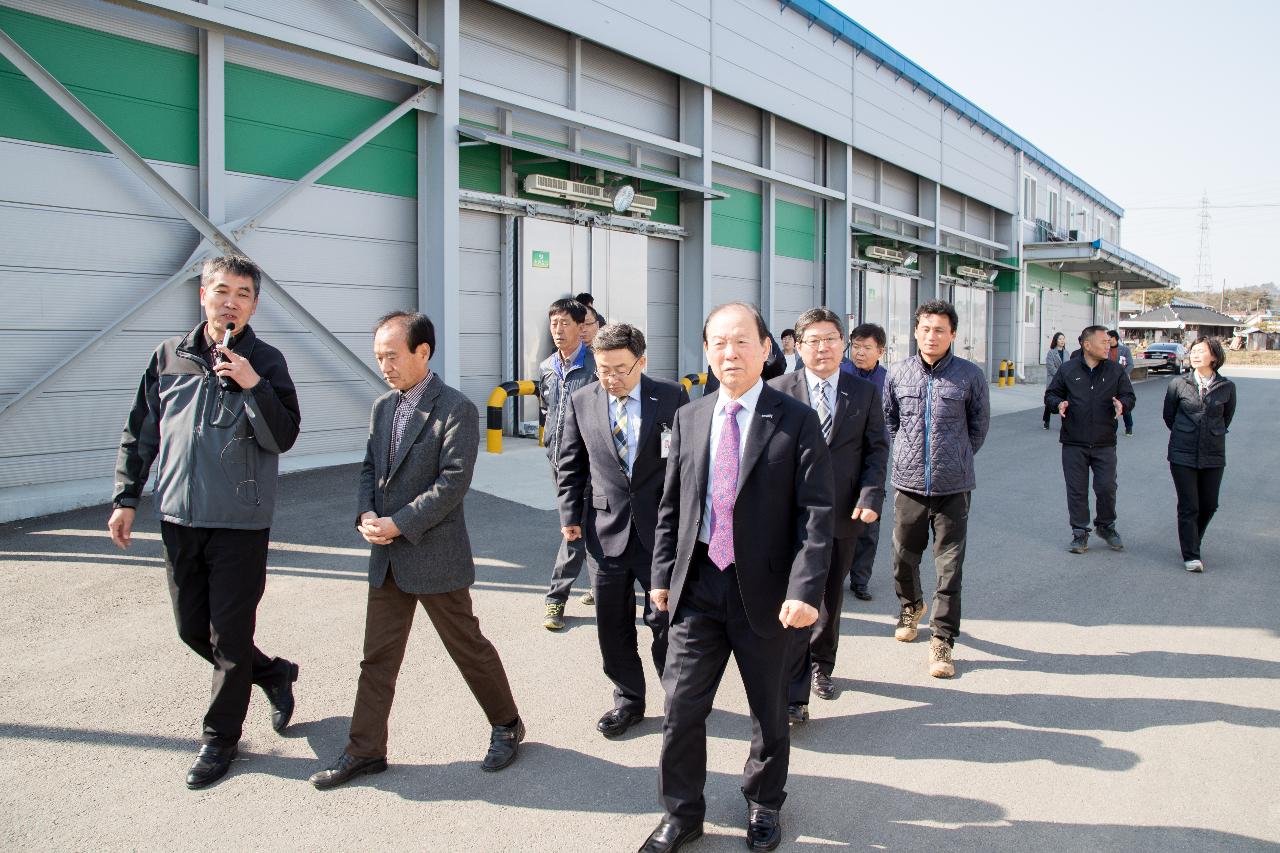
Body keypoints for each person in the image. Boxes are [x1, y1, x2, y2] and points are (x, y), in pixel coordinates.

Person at [639, 303, 832, 853]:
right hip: (698, 587)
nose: (731, 353)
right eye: (719, 343)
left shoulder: (794, 418)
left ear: (768, 348)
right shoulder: (690, 416)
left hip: (768, 595)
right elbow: (672, 506)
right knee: (681, 708)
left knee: (769, 711)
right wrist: (660, 577)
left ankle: (764, 802)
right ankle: (681, 813)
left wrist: (804, 590)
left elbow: (816, 514)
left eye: (742, 341)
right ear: (706, 351)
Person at [108, 255, 302, 789]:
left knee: (231, 637)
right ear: (203, 295)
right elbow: (142, 430)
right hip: (179, 516)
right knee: (193, 628)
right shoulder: (170, 357)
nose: (231, 301)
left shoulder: (267, 360)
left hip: (240, 522)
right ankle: (274, 673)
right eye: (222, 290)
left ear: (255, 304)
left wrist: (252, 384)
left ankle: (220, 740)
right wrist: (127, 497)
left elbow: (282, 436)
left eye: (243, 293)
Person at [310, 312, 523, 790]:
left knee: (466, 646)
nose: (384, 365)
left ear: (422, 352)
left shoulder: (457, 409)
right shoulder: (384, 405)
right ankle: (365, 751)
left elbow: (453, 482)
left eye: (392, 355)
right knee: (377, 658)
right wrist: (366, 514)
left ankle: (507, 724)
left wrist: (398, 523)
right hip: (386, 553)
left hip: (433, 550)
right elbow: (370, 468)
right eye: (379, 356)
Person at [557, 324, 689, 738]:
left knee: (664, 620)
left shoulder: (670, 396)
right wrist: (569, 516)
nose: (611, 379)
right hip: (604, 530)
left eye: (620, 369)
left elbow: (685, 464)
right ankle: (628, 699)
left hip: (660, 532)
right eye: (602, 370)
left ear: (641, 361)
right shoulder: (581, 401)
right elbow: (570, 463)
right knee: (611, 624)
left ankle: (678, 700)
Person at [770, 309, 887, 722]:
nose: (823, 348)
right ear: (798, 347)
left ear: (844, 344)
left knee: (829, 599)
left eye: (831, 339)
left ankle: (822, 666)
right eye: (814, 341)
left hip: (842, 513)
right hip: (787, 516)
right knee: (794, 598)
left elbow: (876, 450)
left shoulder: (864, 392)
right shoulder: (778, 390)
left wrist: (872, 495)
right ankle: (792, 692)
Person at [883, 300, 989, 679]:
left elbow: (978, 427)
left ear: (953, 335)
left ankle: (942, 640)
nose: (932, 336)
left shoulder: (969, 376)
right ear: (915, 331)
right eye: (925, 329)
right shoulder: (898, 374)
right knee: (902, 558)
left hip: (953, 487)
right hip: (908, 483)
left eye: (940, 330)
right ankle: (910, 605)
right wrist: (911, 456)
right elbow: (890, 420)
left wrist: (954, 459)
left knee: (949, 567)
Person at [1044, 325, 1136, 555]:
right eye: (1104, 342)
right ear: (1087, 345)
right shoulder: (1068, 369)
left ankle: (1106, 526)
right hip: (1074, 441)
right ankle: (1079, 533)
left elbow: (1129, 395)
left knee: (1106, 487)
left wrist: (1122, 404)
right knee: (1077, 489)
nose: (1109, 345)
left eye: (1109, 342)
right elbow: (1051, 394)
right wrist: (1058, 404)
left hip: (1105, 441)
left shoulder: (1115, 371)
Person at [540, 298, 599, 629]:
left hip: (588, 462)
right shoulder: (547, 367)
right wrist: (550, 444)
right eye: (553, 324)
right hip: (557, 459)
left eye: (565, 323)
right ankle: (597, 585)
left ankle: (555, 598)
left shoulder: (595, 367)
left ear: (581, 327)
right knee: (579, 524)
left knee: (574, 528)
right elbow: (547, 409)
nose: (558, 330)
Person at [1162, 337, 1237, 573]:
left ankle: (1194, 538)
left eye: (1201, 351)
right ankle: (1191, 554)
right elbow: (1169, 416)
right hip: (1182, 453)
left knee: (1209, 505)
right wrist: (1186, 433)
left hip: (1213, 453)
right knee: (1189, 505)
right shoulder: (1178, 384)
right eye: (1192, 351)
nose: (1194, 355)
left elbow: (1226, 419)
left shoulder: (1227, 387)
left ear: (1214, 356)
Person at [845, 322, 888, 601]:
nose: (860, 353)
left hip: (873, 457)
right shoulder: (840, 373)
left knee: (869, 523)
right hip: (841, 455)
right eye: (856, 346)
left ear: (880, 351)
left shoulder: (888, 379)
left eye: (867, 348)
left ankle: (860, 579)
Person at [1107, 330, 1136, 436]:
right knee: (1108, 405)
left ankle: (1129, 427)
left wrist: (1122, 376)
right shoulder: (1106, 350)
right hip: (1108, 382)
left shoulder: (1125, 350)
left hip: (1122, 383)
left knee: (1124, 404)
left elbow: (1130, 365)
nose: (1107, 340)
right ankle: (1109, 428)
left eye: (1108, 338)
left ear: (1114, 338)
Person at [1043, 332, 1067, 430]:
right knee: (1050, 401)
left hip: (1064, 381)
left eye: (1063, 339)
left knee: (1064, 402)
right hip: (1053, 381)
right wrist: (1060, 375)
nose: (1062, 341)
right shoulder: (1051, 352)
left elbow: (1068, 367)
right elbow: (1050, 367)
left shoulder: (1066, 353)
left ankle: (1065, 424)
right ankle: (1046, 421)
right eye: (1060, 339)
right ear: (1056, 340)